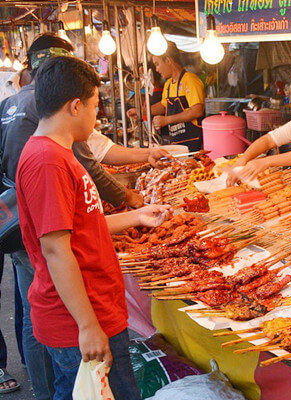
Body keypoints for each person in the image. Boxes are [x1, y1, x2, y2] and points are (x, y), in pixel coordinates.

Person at [0, 33, 146, 400]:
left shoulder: (60, 154)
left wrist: (139, 217)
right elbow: (56, 250)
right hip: (78, 322)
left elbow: (83, 229)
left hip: (96, 311)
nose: (97, 117)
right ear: (76, 106)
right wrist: (87, 326)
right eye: (96, 107)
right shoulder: (47, 161)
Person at [128, 42, 204, 151]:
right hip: (177, 143)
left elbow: (197, 111)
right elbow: (163, 106)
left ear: (168, 61)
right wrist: (141, 111)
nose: (157, 69)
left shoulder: (190, 80)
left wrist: (167, 120)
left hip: (193, 144)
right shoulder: (168, 84)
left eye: (157, 64)